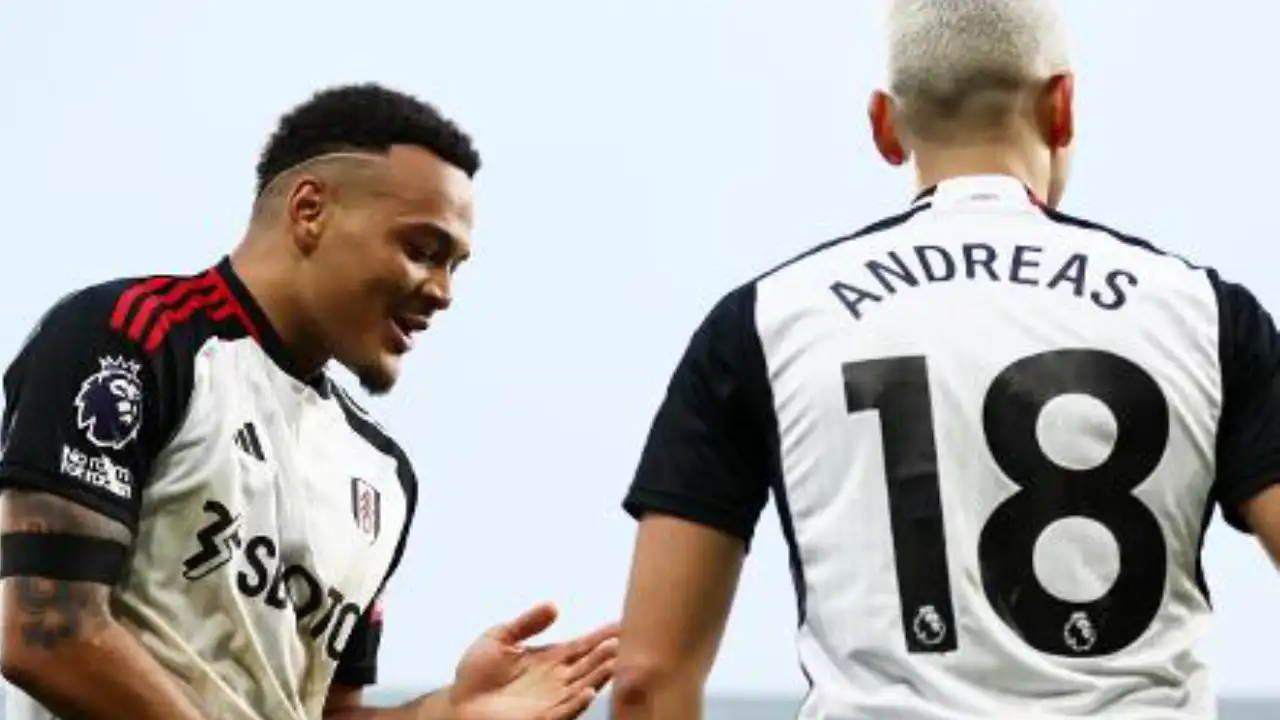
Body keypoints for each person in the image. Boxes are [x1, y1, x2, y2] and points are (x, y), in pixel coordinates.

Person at [610, 1, 1280, 718]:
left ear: (884, 127)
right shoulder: (1204, 314)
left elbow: (649, 679)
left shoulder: (765, 322)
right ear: (1063, 106)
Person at [0, 83, 617, 720]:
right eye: (422, 250)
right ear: (309, 209)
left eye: (455, 266)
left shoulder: (382, 474)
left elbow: (327, 713)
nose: (442, 292)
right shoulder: (132, 336)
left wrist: (450, 712)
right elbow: (49, 635)